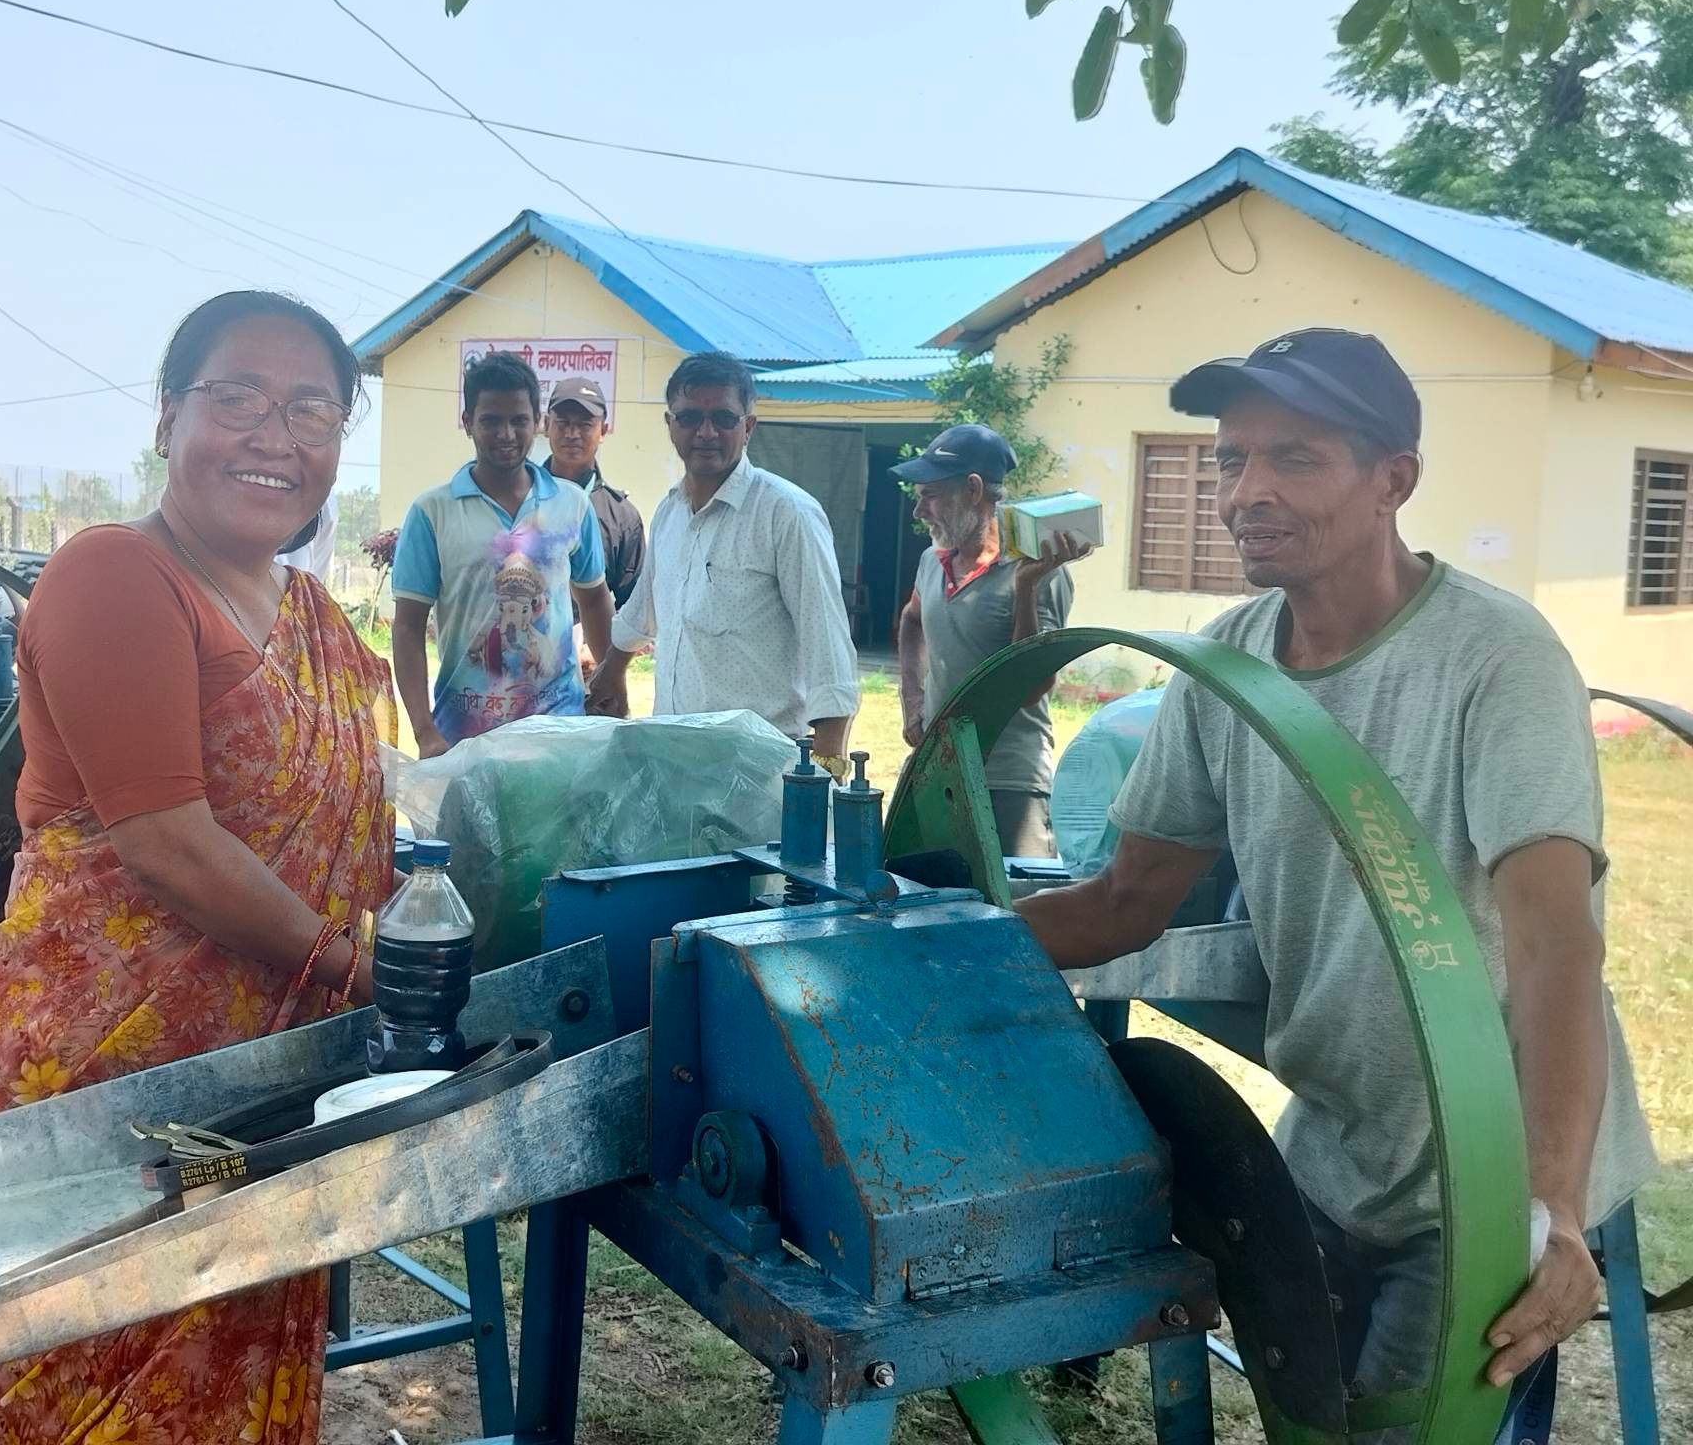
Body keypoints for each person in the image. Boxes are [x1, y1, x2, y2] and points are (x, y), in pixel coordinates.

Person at [1014, 328, 1655, 1439]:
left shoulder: (1491, 659)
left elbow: (1556, 944)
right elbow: (1125, 901)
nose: (1245, 491)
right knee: (1310, 1421)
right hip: (1335, 1150)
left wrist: (1546, 1209)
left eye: (1294, 459)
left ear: (1390, 481)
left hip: (1484, 1179)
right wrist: (927, 937)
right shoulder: (1228, 663)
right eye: (1229, 460)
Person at [0, 291, 393, 1445]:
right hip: (106, 1079)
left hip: (262, 1072)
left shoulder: (307, 612)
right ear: (164, 417)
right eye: (236, 397)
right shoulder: (115, 574)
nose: (274, 437)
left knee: (212, 1363)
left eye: (311, 411)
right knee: (69, 1378)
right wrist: (359, 969)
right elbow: (166, 840)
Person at [587, 351, 859, 772]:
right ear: (670, 425)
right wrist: (612, 669)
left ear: (748, 427)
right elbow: (645, 608)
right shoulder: (669, 513)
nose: (707, 432)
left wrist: (827, 766)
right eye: (691, 417)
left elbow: (828, 647)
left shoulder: (785, 514)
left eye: (725, 419)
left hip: (758, 764)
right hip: (672, 755)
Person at [391, 350, 614, 757]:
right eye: (491, 420)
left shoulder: (572, 505)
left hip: (558, 733)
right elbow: (407, 627)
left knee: (558, 824)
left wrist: (610, 681)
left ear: (538, 424)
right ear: (467, 422)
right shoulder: (432, 511)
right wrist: (424, 731)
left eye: (519, 420)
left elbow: (595, 598)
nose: (506, 434)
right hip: (466, 734)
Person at [893, 423, 1090, 857]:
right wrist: (913, 702)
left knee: (1016, 911)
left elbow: (1031, 688)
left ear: (973, 489)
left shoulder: (1040, 570)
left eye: (929, 496)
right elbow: (911, 622)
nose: (918, 511)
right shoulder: (932, 560)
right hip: (940, 770)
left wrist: (1025, 590)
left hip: (1008, 781)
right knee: (914, 902)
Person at [543, 375, 644, 612]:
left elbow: (634, 608)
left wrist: (595, 644)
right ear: (546, 425)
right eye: (563, 423)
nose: (572, 433)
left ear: (603, 430)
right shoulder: (518, 497)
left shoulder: (622, 518)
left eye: (585, 424)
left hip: (589, 647)